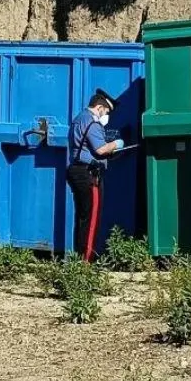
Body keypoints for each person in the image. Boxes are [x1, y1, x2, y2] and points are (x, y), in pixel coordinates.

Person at [67, 89, 125, 262]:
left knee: (83, 218)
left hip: (78, 171)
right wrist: (117, 143)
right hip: (89, 175)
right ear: (99, 107)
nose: (106, 116)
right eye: (106, 111)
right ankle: (86, 263)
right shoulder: (93, 123)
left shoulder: (79, 119)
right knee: (91, 220)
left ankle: (79, 259)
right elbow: (100, 149)